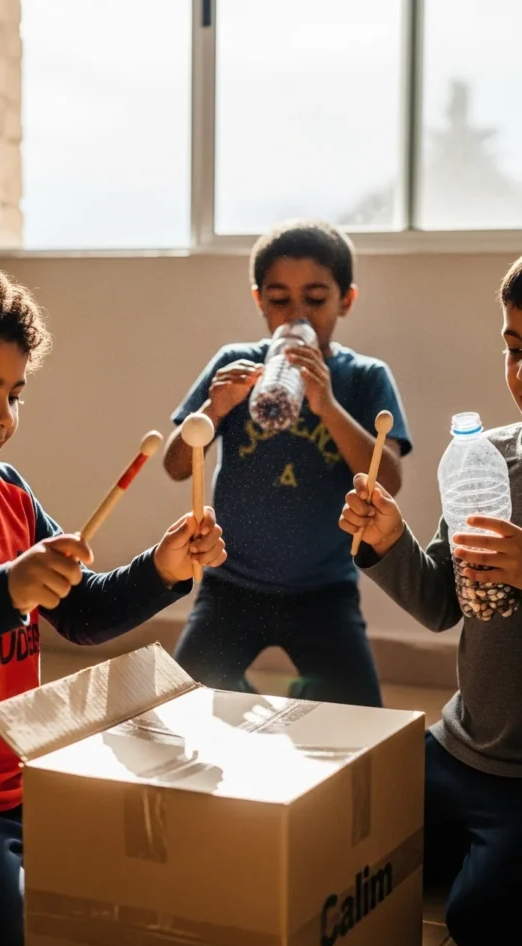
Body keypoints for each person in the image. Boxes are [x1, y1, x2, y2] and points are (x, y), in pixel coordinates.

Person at [0, 254, 226, 946]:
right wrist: (3, 590)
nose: (5, 418)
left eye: (15, 395)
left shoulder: (8, 494)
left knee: (157, 884)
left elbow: (83, 615)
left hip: (19, 781)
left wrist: (163, 568)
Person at [339, 255, 522, 946]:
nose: (521, 374)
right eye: (513, 349)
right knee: (333, 830)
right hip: (459, 748)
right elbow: (442, 605)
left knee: (481, 925)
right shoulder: (488, 461)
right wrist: (388, 545)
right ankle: (468, 844)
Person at [164, 220, 412, 703]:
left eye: (316, 300)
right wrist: (214, 408)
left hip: (325, 589)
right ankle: (243, 695)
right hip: (230, 584)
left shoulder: (363, 377)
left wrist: (327, 404)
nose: (296, 314)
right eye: (279, 300)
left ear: (347, 300)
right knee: (178, 710)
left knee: (365, 720)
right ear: (259, 300)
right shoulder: (235, 363)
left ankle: (296, 694)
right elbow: (176, 465)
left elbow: (391, 480)